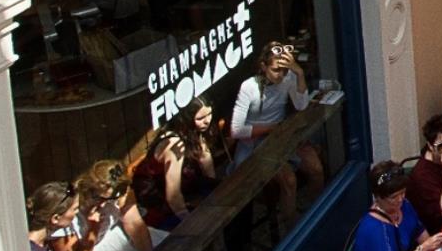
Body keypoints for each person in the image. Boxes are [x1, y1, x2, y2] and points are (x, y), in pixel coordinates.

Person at [230, 41, 325, 220]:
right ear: (263, 66)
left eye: (284, 70)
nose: (280, 75)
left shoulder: (288, 77)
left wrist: (299, 73)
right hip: (256, 142)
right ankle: (292, 229)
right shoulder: (249, 87)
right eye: (275, 70)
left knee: (316, 168)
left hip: (281, 136)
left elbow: (301, 105)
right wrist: (270, 128)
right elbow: (236, 130)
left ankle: (317, 215)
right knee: (289, 181)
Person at [136, 99, 224, 230]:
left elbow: (205, 159)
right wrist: (188, 221)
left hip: (188, 189)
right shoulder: (174, 144)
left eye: (209, 114)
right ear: (186, 119)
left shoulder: (193, 132)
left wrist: (214, 189)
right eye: (200, 118)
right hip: (161, 207)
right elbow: (173, 196)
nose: (207, 121)